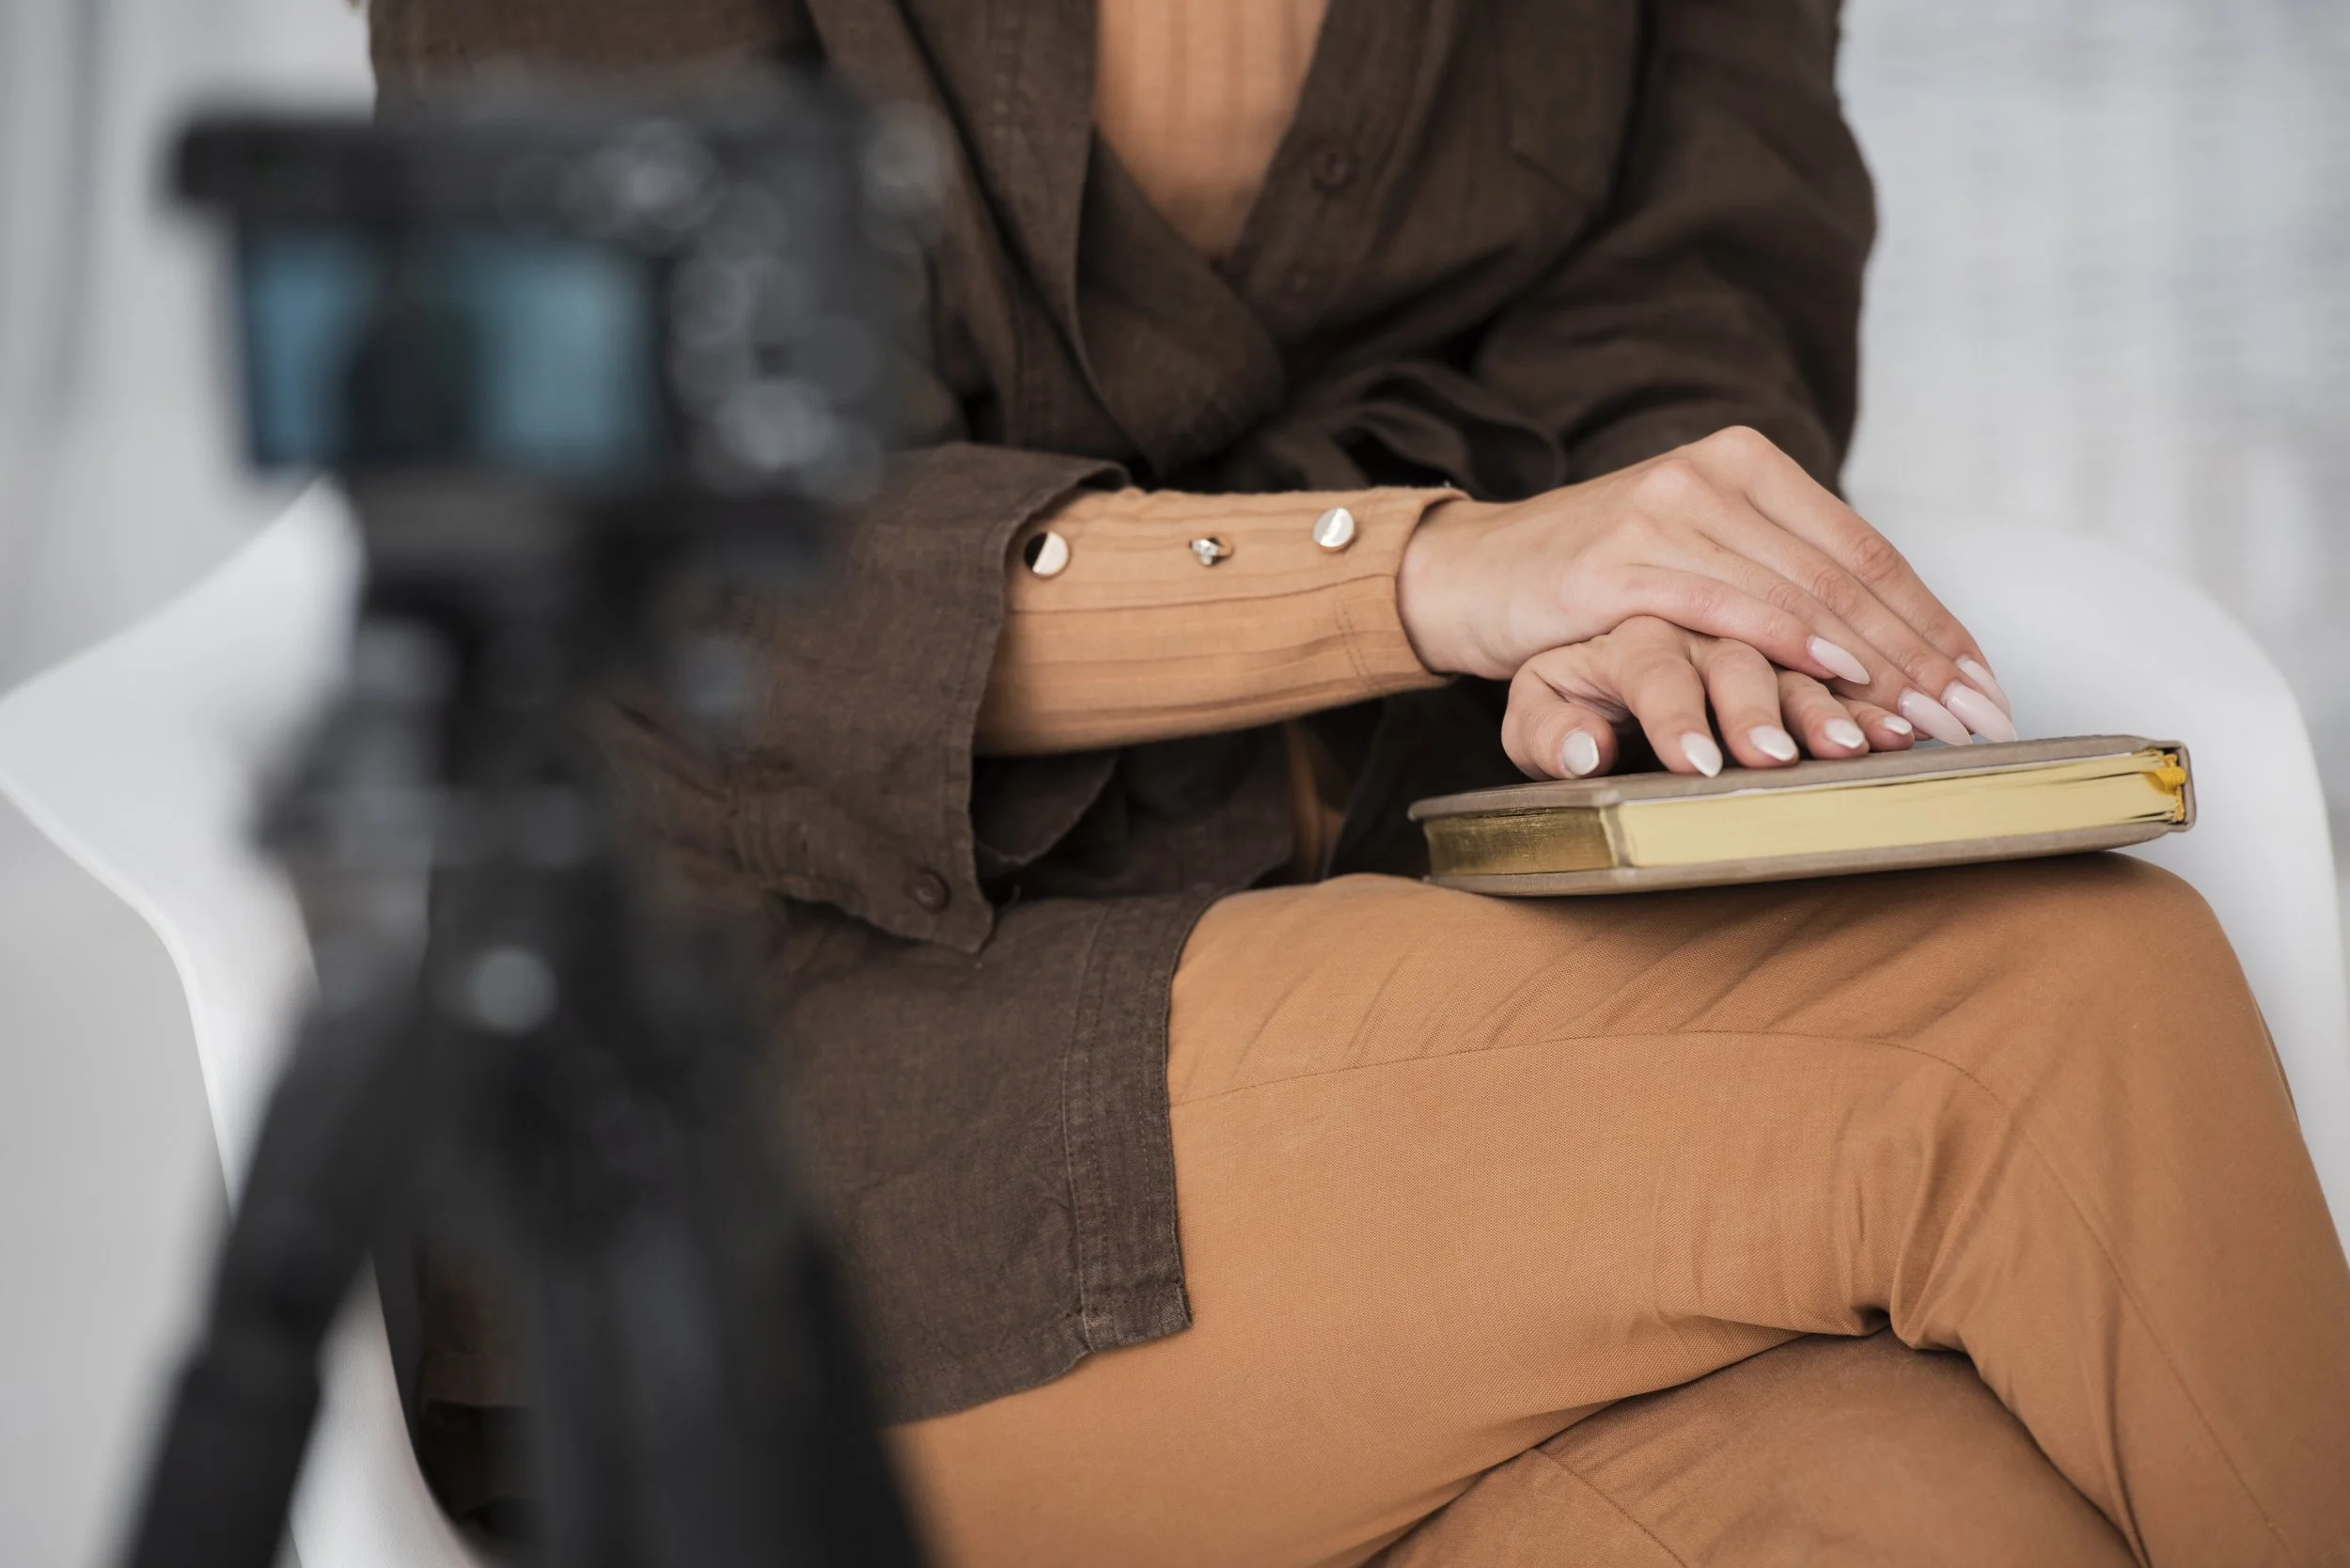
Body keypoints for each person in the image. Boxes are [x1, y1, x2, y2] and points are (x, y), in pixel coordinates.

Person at [370, 1, 2350, 1563]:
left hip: (1401, 1010)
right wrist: (1423, 570)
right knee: (2034, 1010)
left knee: (1945, 1528)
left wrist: (1637, 603)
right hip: (757, 1122)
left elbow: (1698, 293)